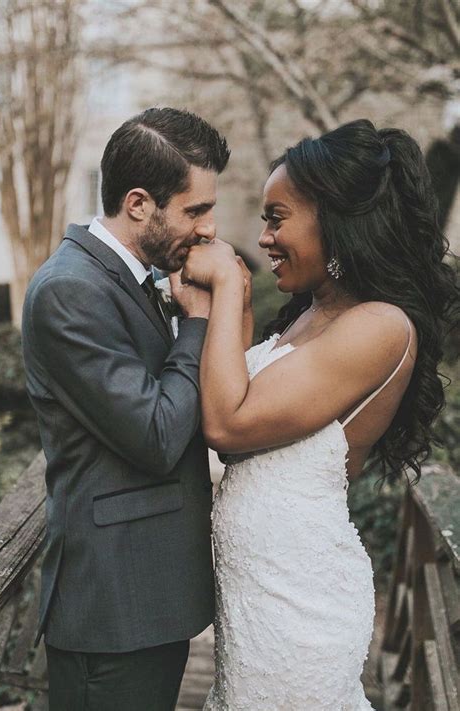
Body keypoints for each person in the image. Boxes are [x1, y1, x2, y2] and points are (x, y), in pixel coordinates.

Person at [173, 119, 458, 709]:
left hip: (295, 610)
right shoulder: (311, 313)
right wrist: (233, 304)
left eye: (277, 218)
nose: (265, 236)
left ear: (335, 221)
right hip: (254, 605)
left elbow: (228, 425)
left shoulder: (380, 325)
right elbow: (239, 385)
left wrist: (228, 282)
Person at [21, 107, 230, 711]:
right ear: (139, 203)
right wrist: (196, 323)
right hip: (112, 606)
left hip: (147, 595)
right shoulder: (70, 290)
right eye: (195, 210)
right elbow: (158, 434)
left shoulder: (126, 276)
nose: (209, 229)